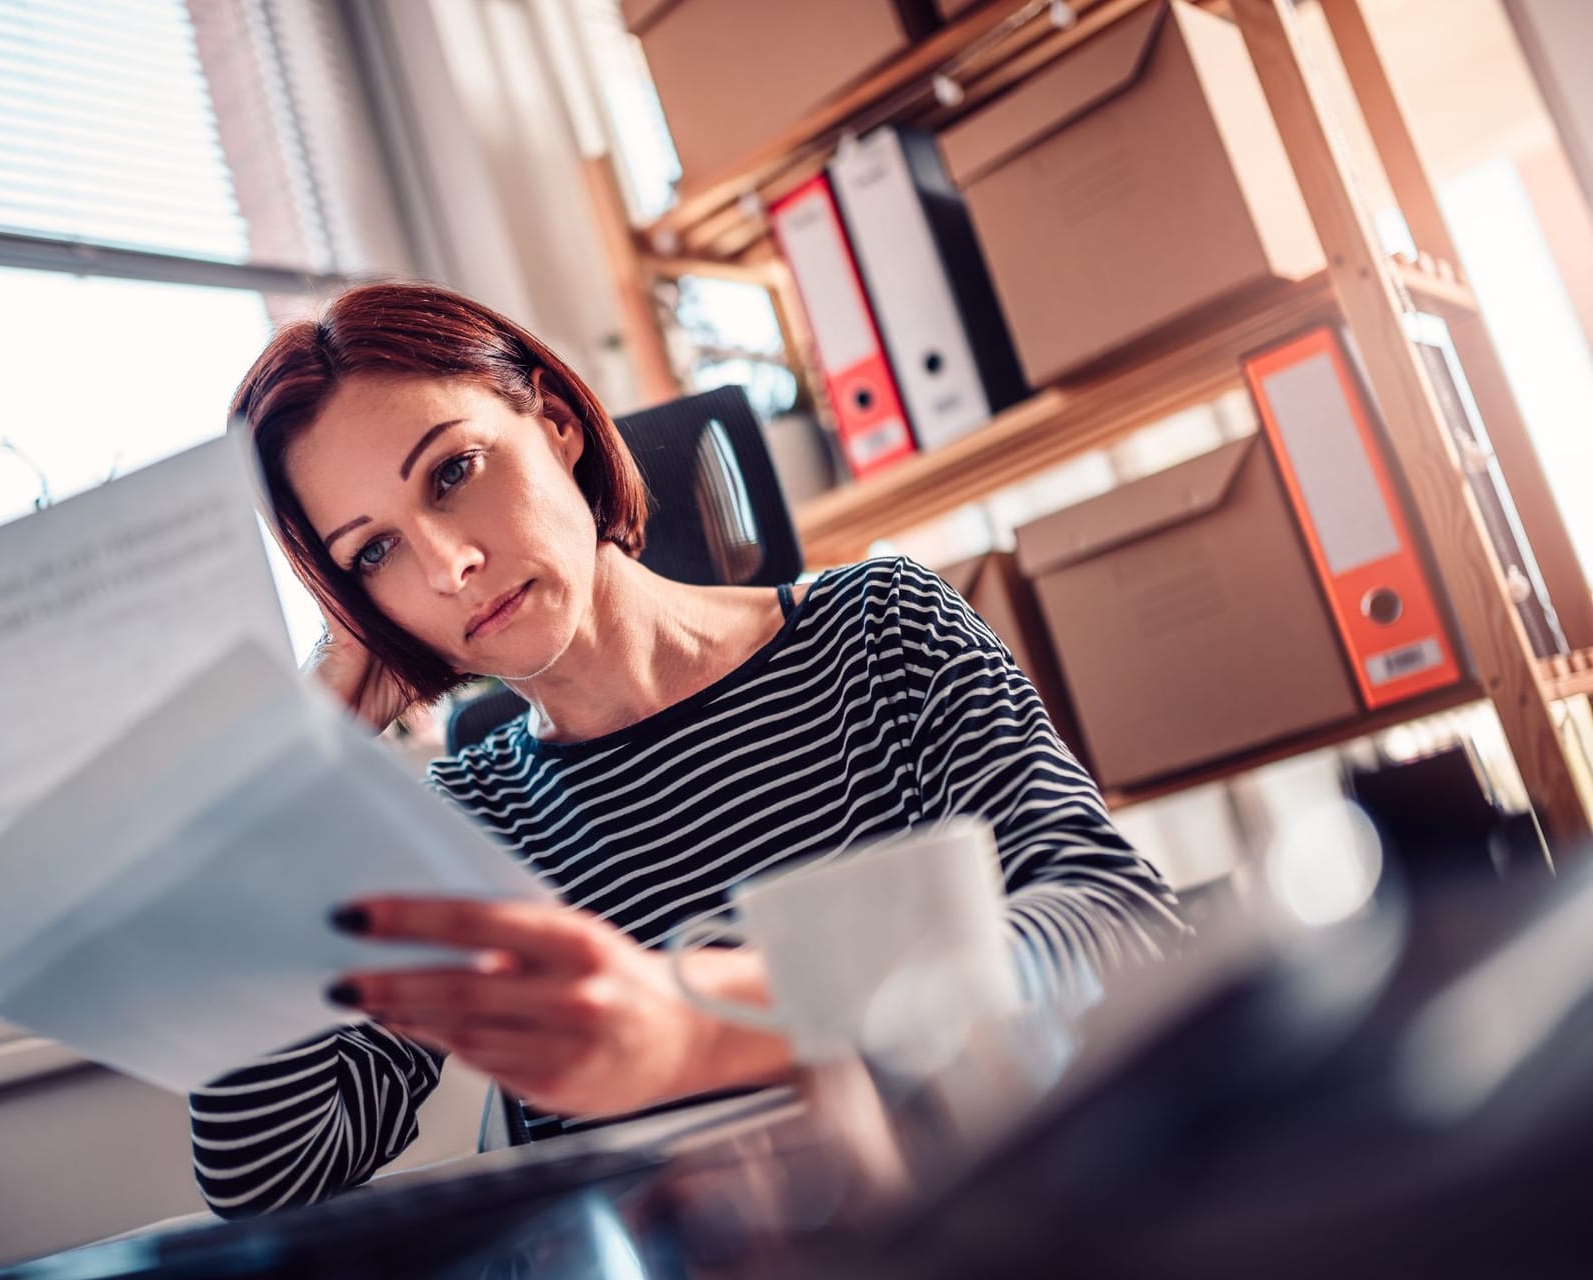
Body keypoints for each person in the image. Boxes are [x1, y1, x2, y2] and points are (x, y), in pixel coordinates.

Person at [188, 281, 1185, 1218]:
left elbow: (1119, 921)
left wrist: (700, 1024)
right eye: (374, 552)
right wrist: (293, 782)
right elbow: (270, 1176)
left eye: (453, 470)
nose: (448, 566)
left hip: (984, 1226)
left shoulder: (880, 628)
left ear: (556, 422)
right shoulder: (459, 824)